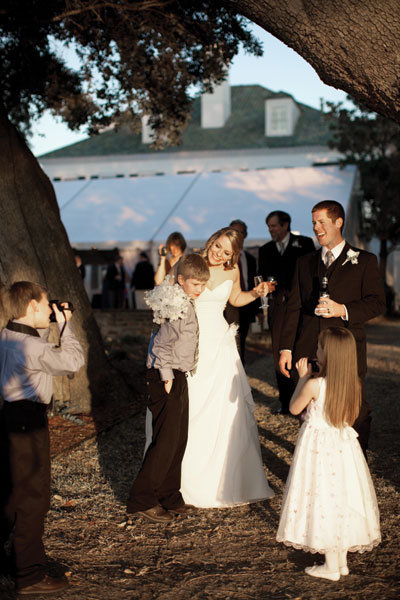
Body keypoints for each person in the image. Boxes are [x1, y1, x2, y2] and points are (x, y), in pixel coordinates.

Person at [279, 200, 385, 454]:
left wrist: (343, 310)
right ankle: (318, 463)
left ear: (338, 222)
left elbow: (378, 303)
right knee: (310, 409)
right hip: (309, 347)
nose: (316, 227)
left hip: (347, 347)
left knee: (355, 410)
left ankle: (354, 464)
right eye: (314, 222)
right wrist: (285, 348)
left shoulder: (365, 260)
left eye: (321, 222)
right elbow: (293, 307)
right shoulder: (304, 262)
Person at [0, 281, 84, 595]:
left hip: (9, 418)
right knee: (33, 498)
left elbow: (39, 351)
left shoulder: (7, 336)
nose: (50, 308)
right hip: (28, 424)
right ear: (33, 305)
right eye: (46, 303)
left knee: (10, 495)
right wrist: (66, 326)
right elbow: (72, 360)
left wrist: (51, 327)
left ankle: (12, 562)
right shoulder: (30, 346)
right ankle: (30, 575)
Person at [180, 227, 275, 508]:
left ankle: (223, 478)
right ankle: (187, 477)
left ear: (233, 255)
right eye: (218, 246)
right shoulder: (192, 261)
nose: (219, 253)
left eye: (227, 252)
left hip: (220, 344)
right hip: (191, 339)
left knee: (223, 409)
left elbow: (234, 299)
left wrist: (256, 293)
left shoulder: (232, 272)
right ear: (212, 240)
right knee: (193, 407)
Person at [276, 327, 381, 581]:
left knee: (324, 499)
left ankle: (331, 567)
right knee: (341, 499)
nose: (316, 351)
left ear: (330, 355)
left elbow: (293, 408)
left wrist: (302, 377)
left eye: (320, 348)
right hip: (344, 450)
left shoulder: (314, 385)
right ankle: (341, 561)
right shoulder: (353, 385)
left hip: (319, 450)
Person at [126, 254, 210, 523]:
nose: (200, 289)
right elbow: (161, 344)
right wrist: (166, 377)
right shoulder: (176, 305)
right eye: (195, 284)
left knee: (178, 439)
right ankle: (142, 499)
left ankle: (168, 494)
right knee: (165, 441)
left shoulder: (185, 301)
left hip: (177, 374)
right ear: (182, 280)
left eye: (203, 285)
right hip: (165, 376)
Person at [258, 211, 314, 414]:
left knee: (303, 348)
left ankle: (306, 397)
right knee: (279, 352)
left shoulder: (305, 243)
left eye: (273, 226)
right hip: (278, 307)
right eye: (269, 227)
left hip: (303, 308)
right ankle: (286, 401)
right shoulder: (265, 250)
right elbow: (263, 276)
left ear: (285, 225)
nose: (271, 230)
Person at [224, 219, 258, 365]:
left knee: (241, 342)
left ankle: (240, 373)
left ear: (245, 235)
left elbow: (253, 282)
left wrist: (258, 311)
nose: (237, 235)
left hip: (246, 306)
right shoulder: (223, 257)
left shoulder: (250, 259)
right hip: (226, 308)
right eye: (233, 232)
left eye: (240, 232)